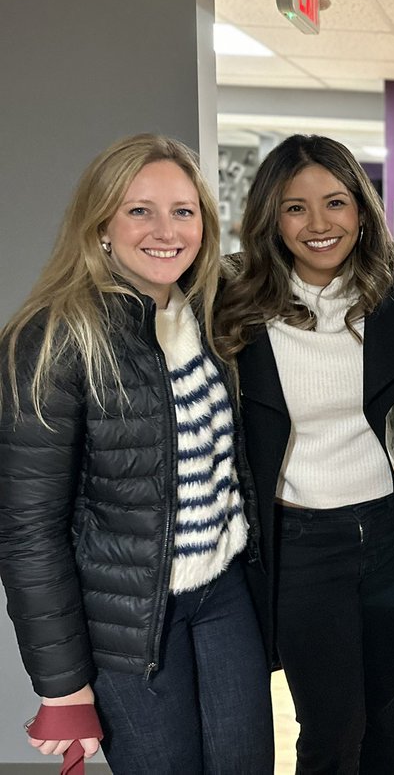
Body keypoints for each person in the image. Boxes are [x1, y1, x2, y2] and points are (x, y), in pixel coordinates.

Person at [0, 134, 272, 773]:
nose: (165, 230)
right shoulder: (53, 338)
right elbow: (27, 531)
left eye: (184, 211)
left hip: (223, 592)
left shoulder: (203, 314)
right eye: (139, 210)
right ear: (100, 225)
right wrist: (61, 684)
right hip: (128, 625)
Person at [215, 134, 394, 774]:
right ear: (270, 218)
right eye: (295, 207)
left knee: (392, 723)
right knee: (334, 728)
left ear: (361, 210)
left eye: (335, 202)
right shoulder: (235, 298)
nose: (319, 224)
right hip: (304, 544)